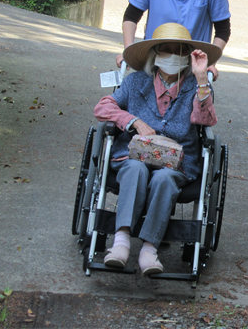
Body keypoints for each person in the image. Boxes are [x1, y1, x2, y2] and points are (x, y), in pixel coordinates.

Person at [95, 22, 221, 275]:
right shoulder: (135, 83)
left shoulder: (196, 89)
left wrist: (200, 78)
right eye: (167, 49)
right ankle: (121, 242)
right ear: (155, 54)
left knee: (164, 178)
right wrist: (133, 121)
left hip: (178, 162)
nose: (173, 56)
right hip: (134, 155)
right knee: (135, 168)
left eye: (179, 50)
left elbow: (206, 121)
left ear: (187, 57)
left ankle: (149, 249)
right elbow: (102, 108)